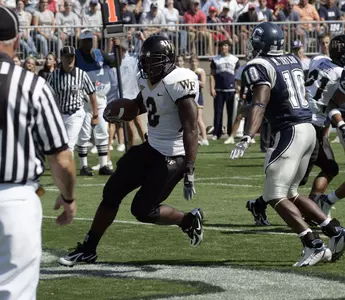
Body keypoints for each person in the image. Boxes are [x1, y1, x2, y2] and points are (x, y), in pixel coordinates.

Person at [58, 35, 204, 267]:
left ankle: (187, 220)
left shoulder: (180, 80)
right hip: (150, 148)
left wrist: (190, 167)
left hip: (172, 156)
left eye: (152, 61)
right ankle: (88, 249)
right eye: (144, 61)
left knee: (143, 211)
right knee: (111, 192)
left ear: (167, 60)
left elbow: (191, 129)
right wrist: (121, 110)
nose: (147, 66)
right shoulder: (146, 80)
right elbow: (140, 105)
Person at [230, 22, 345, 267]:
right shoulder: (292, 59)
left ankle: (313, 244)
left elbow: (260, 102)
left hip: (290, 130)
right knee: (291, 193)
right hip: (308, 128)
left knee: (274, 194)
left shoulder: (258, 65)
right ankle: (335, 231)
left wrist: (248, 134)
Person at [0, 5, 76, 299]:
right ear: (16, 41)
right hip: (15, 201)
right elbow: (60, 157)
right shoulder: (32, 86)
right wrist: (68, 197)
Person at [246, 35, 344, 226]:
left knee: (327, 168)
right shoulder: (341, 73)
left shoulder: (318, 60)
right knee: (294, 181)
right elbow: (337, 101)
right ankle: (264, 205)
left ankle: (315, 208)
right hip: (311, 123)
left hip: (304, 114)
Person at [76, 29, 117, 176]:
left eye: (90, 39)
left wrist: (117, 48)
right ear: (80, 41)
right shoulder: (76, 56)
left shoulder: (101, 54)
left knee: (102, 131)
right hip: (83, 100)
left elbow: (116, 62)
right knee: (84, 133)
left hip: (100, 99)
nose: (88, 42)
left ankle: (103, 165)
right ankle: (83, 166)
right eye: (85, 40)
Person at [47, 46, 99, 154]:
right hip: (59, 115)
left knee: (69, 146)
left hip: (75, 113)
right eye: (67, 57)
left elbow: (92, 94)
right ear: (61, 58)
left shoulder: (82, 74)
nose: (70, 59)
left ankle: (67, 171)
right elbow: (46, 94)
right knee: (59, 146)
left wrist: (95, 115)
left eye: (72, 56)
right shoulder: (54, 76)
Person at [210, 39, 239, 141]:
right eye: (222, 46)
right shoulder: (215, 59)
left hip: (231, 90)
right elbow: (212, 75)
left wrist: (238, 87)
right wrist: (211, 88)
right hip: (218, 90)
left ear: (229, 47)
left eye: (226, 45)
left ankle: (231, 134)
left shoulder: (235, 59)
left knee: (231, 113)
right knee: (218, 113)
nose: (224, 47)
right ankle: (216, 133)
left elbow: (237, 75)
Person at [189, 54, 208, 146]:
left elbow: (203, 84)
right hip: (190, 96)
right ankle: (198, 138)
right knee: (192, 119)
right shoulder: (188, 71)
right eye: (192, 61)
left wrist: (194, 79)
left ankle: (205, 138)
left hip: (198, 96)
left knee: (199, 118)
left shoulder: (200, 71)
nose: (193, 63)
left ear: (198, 62)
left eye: (195, 61)